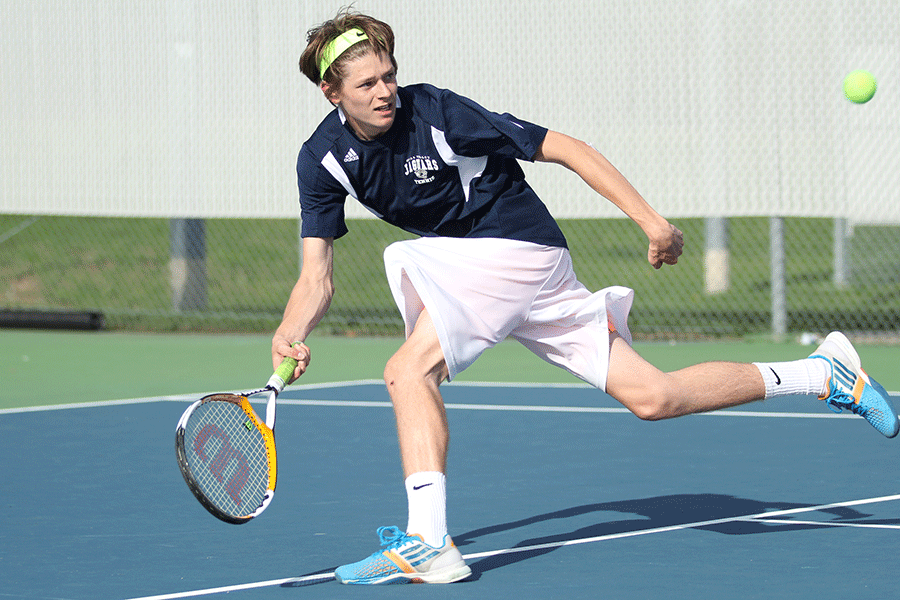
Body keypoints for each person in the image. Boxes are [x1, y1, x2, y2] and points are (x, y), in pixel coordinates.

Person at [272, 9, 898, 585]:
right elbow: (315, 276)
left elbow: (567, 148)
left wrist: (650, 220)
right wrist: (290, 330)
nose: (385, 93)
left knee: (408, 371)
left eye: (389, 76)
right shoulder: (323, 160)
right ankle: (822, 374)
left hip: (517, 249)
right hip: (503, 274)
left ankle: (429, 542)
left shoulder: (436, 113)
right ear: (332, 93)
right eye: (367, 85)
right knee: (655, 397)